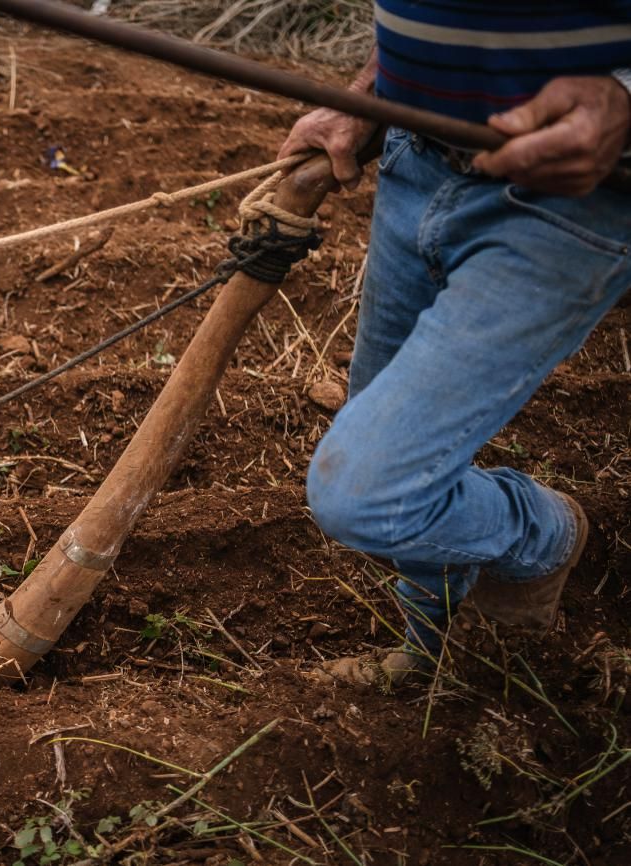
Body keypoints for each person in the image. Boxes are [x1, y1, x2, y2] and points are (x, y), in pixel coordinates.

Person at [279, 1, 631, 685]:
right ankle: (432, 649)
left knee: (369, 493)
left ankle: (542, 537)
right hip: (418, 159)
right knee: (397, 453)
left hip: (572, 196)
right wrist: (370, 91)